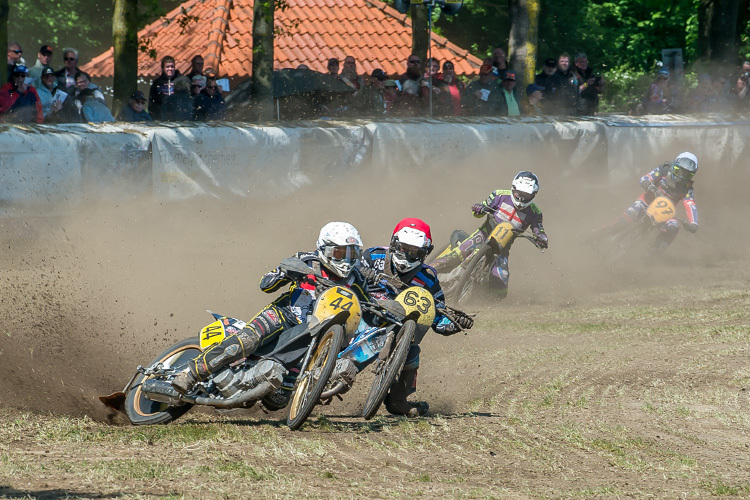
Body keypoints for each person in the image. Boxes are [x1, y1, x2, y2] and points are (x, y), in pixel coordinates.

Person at [171, 222, 372, 407]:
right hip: (283, 315)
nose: (346, 261)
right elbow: (266, 284)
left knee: (278, 401)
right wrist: (286, 272)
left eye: (352, 254)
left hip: (312, 333)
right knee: (244, 342)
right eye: (340, 253)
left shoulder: (357, 279)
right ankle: (190, 373)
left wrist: (384, 310)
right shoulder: (306, 260)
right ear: (324, 249)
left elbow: (369, 307)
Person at [358, 218, 473, 417]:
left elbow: (436, 313)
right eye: (402, 249)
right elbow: (346, 277)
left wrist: (454, 323)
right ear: (393, 243)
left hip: (396, 329)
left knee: (412, 352)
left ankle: (398, 401)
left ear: (426, 253)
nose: (406, 255)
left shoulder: (428, 278)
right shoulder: (372, 255)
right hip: (362, 313)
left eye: (414, 252)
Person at [431, 171, 548, 299]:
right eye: (519, 194)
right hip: (482, 235)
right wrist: (479, 208)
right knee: (454, 256)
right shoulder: (499, 195)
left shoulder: (535, 213)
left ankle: (483, 299)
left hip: (502, 249)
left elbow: (539, 230)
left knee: (501, 284)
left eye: (526, 196)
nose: (521, 199)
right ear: (513, 188)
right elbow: (481, 209)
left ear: (534, 195)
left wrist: (541, 238)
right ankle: (422, 273)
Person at [600, 153, 698, 255]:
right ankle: (597, 234)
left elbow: (690, 205)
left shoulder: (687, 189)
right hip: (646, 202)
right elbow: (645, 178)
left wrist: (693, 223)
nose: (681, 177)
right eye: (679, 171)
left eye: (686, 175)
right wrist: (648, 184)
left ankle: (652, 255)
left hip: (663, 213)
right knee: (623, 222)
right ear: (674, 166)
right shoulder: (663, 170)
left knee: (673, 226)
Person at [148, 55, 181, 120]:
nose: (170, 69)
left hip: (177, 117)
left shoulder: (180, 82)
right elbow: (152, 103)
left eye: (172, 67)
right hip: (161, 118)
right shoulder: (157, 83)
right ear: (162, 68)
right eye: (167, 67)